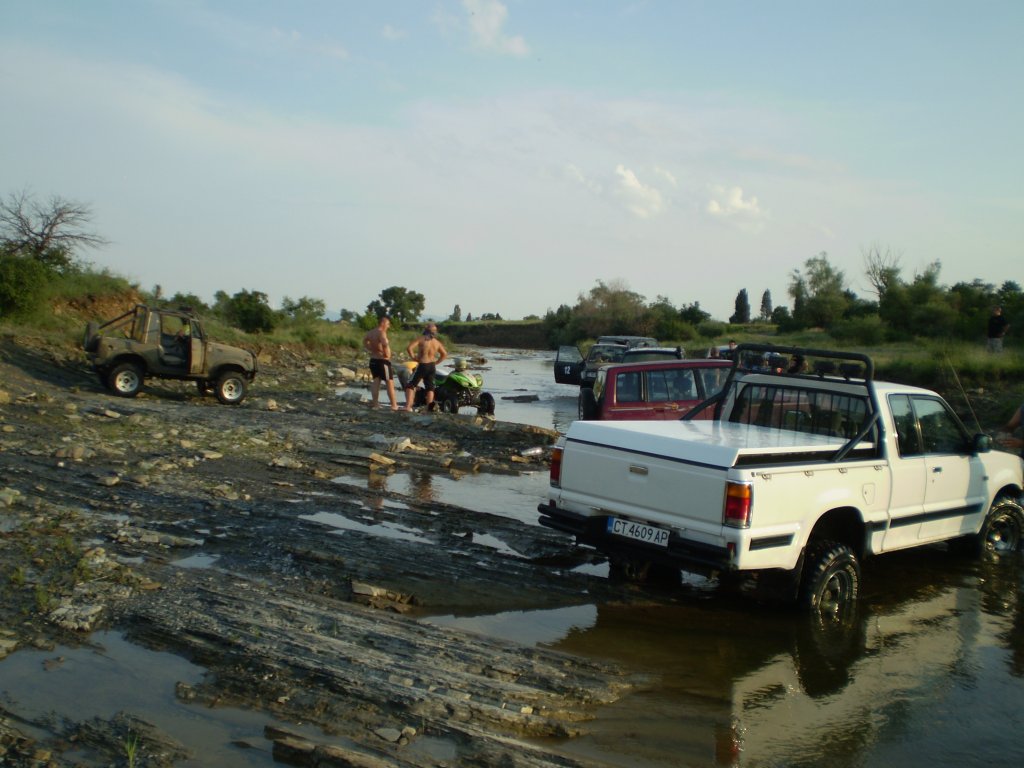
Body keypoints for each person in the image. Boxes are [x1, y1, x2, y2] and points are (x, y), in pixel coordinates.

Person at [404, 322, 448, 411]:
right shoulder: (436, 342)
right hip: (432, 366)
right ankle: (429, 408)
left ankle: (408, 406)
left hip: (423, 365)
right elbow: (444, 354)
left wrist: (413, 357)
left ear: (425, 330)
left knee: (410, 384)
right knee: (430, 387)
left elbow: (409, 348)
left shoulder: (421, 339)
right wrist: (437, 362)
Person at [362, 316, 398, 410]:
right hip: (382, 361)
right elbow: (385, 343)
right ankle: (394, 405)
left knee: (376, 381)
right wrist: (386, 353)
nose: (388, 326)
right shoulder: (381, 333)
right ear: (383, 323)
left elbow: (364, 341)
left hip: (373, 360)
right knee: (389, 382)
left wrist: (371, 348)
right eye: (388, 324)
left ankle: (375, 404)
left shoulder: (371, 332)